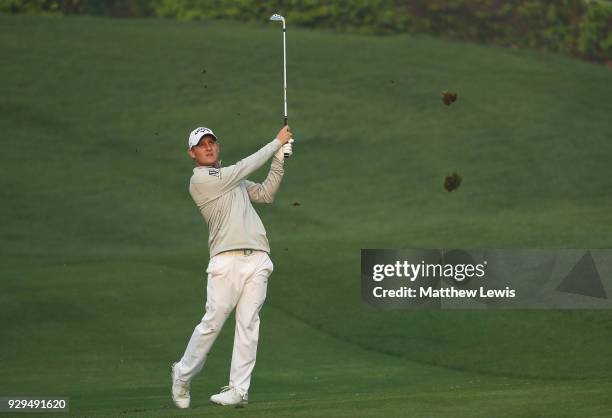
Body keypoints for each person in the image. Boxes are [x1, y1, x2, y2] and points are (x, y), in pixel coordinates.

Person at [171, 125, 293, 408]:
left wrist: (279, 160)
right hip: (225, 260)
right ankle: (182, 372)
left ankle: (239, 389)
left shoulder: (232, 181)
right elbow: (242, 167)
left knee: (249, 323)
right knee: (213, 322)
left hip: (258, 258)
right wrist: (276, 142)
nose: (209, 147)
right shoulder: (201, 180)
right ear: (192, 153)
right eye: (202, 145)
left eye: (212, 142)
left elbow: (265, 194)